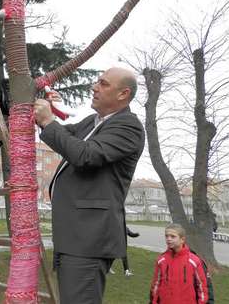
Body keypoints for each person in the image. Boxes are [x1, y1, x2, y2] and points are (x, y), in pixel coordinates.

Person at [34, 67, 145, 304]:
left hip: (89, 238)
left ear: (123, 94)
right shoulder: (93, 122)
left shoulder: (128, 127)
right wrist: (47, 113)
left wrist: (48, 120)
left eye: (103, 84)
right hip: (75, 235)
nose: (94, 87)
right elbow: (64, 137)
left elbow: (85, 155)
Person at [150, 223, 213, 304]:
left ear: (182, 239)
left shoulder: (194, 260)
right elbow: (156, 284)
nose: (168, 239)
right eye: (166, 236)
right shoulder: (161, 260)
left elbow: (202, 286)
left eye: (173, 236)